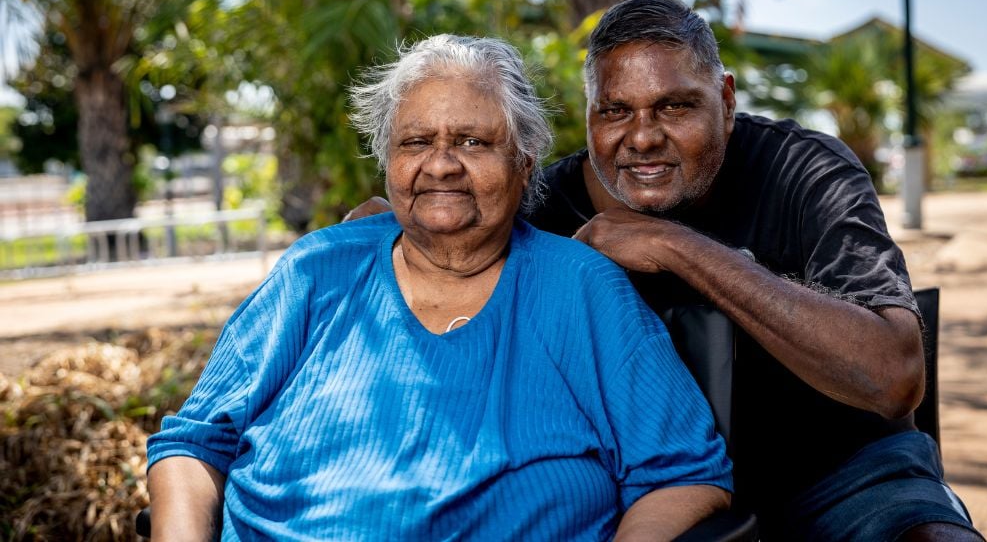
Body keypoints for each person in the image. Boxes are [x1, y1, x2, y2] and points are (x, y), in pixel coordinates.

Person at [145, 34, 733, 541]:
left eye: (473, 142)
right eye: (416, 142)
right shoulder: (315, 270)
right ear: (388, 162)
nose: (442, 164)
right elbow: (193, 445)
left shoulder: (582, 289)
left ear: (525, 163)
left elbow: (683, 476)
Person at [524, 0, 983, 541]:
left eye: (674, 106)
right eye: (615, 110)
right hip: (644, 488)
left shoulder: (806, 169)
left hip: (845, 478)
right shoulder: (545, 206)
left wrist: (675, 246)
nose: (642, 136)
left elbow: (893, 377)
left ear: (725, 98)